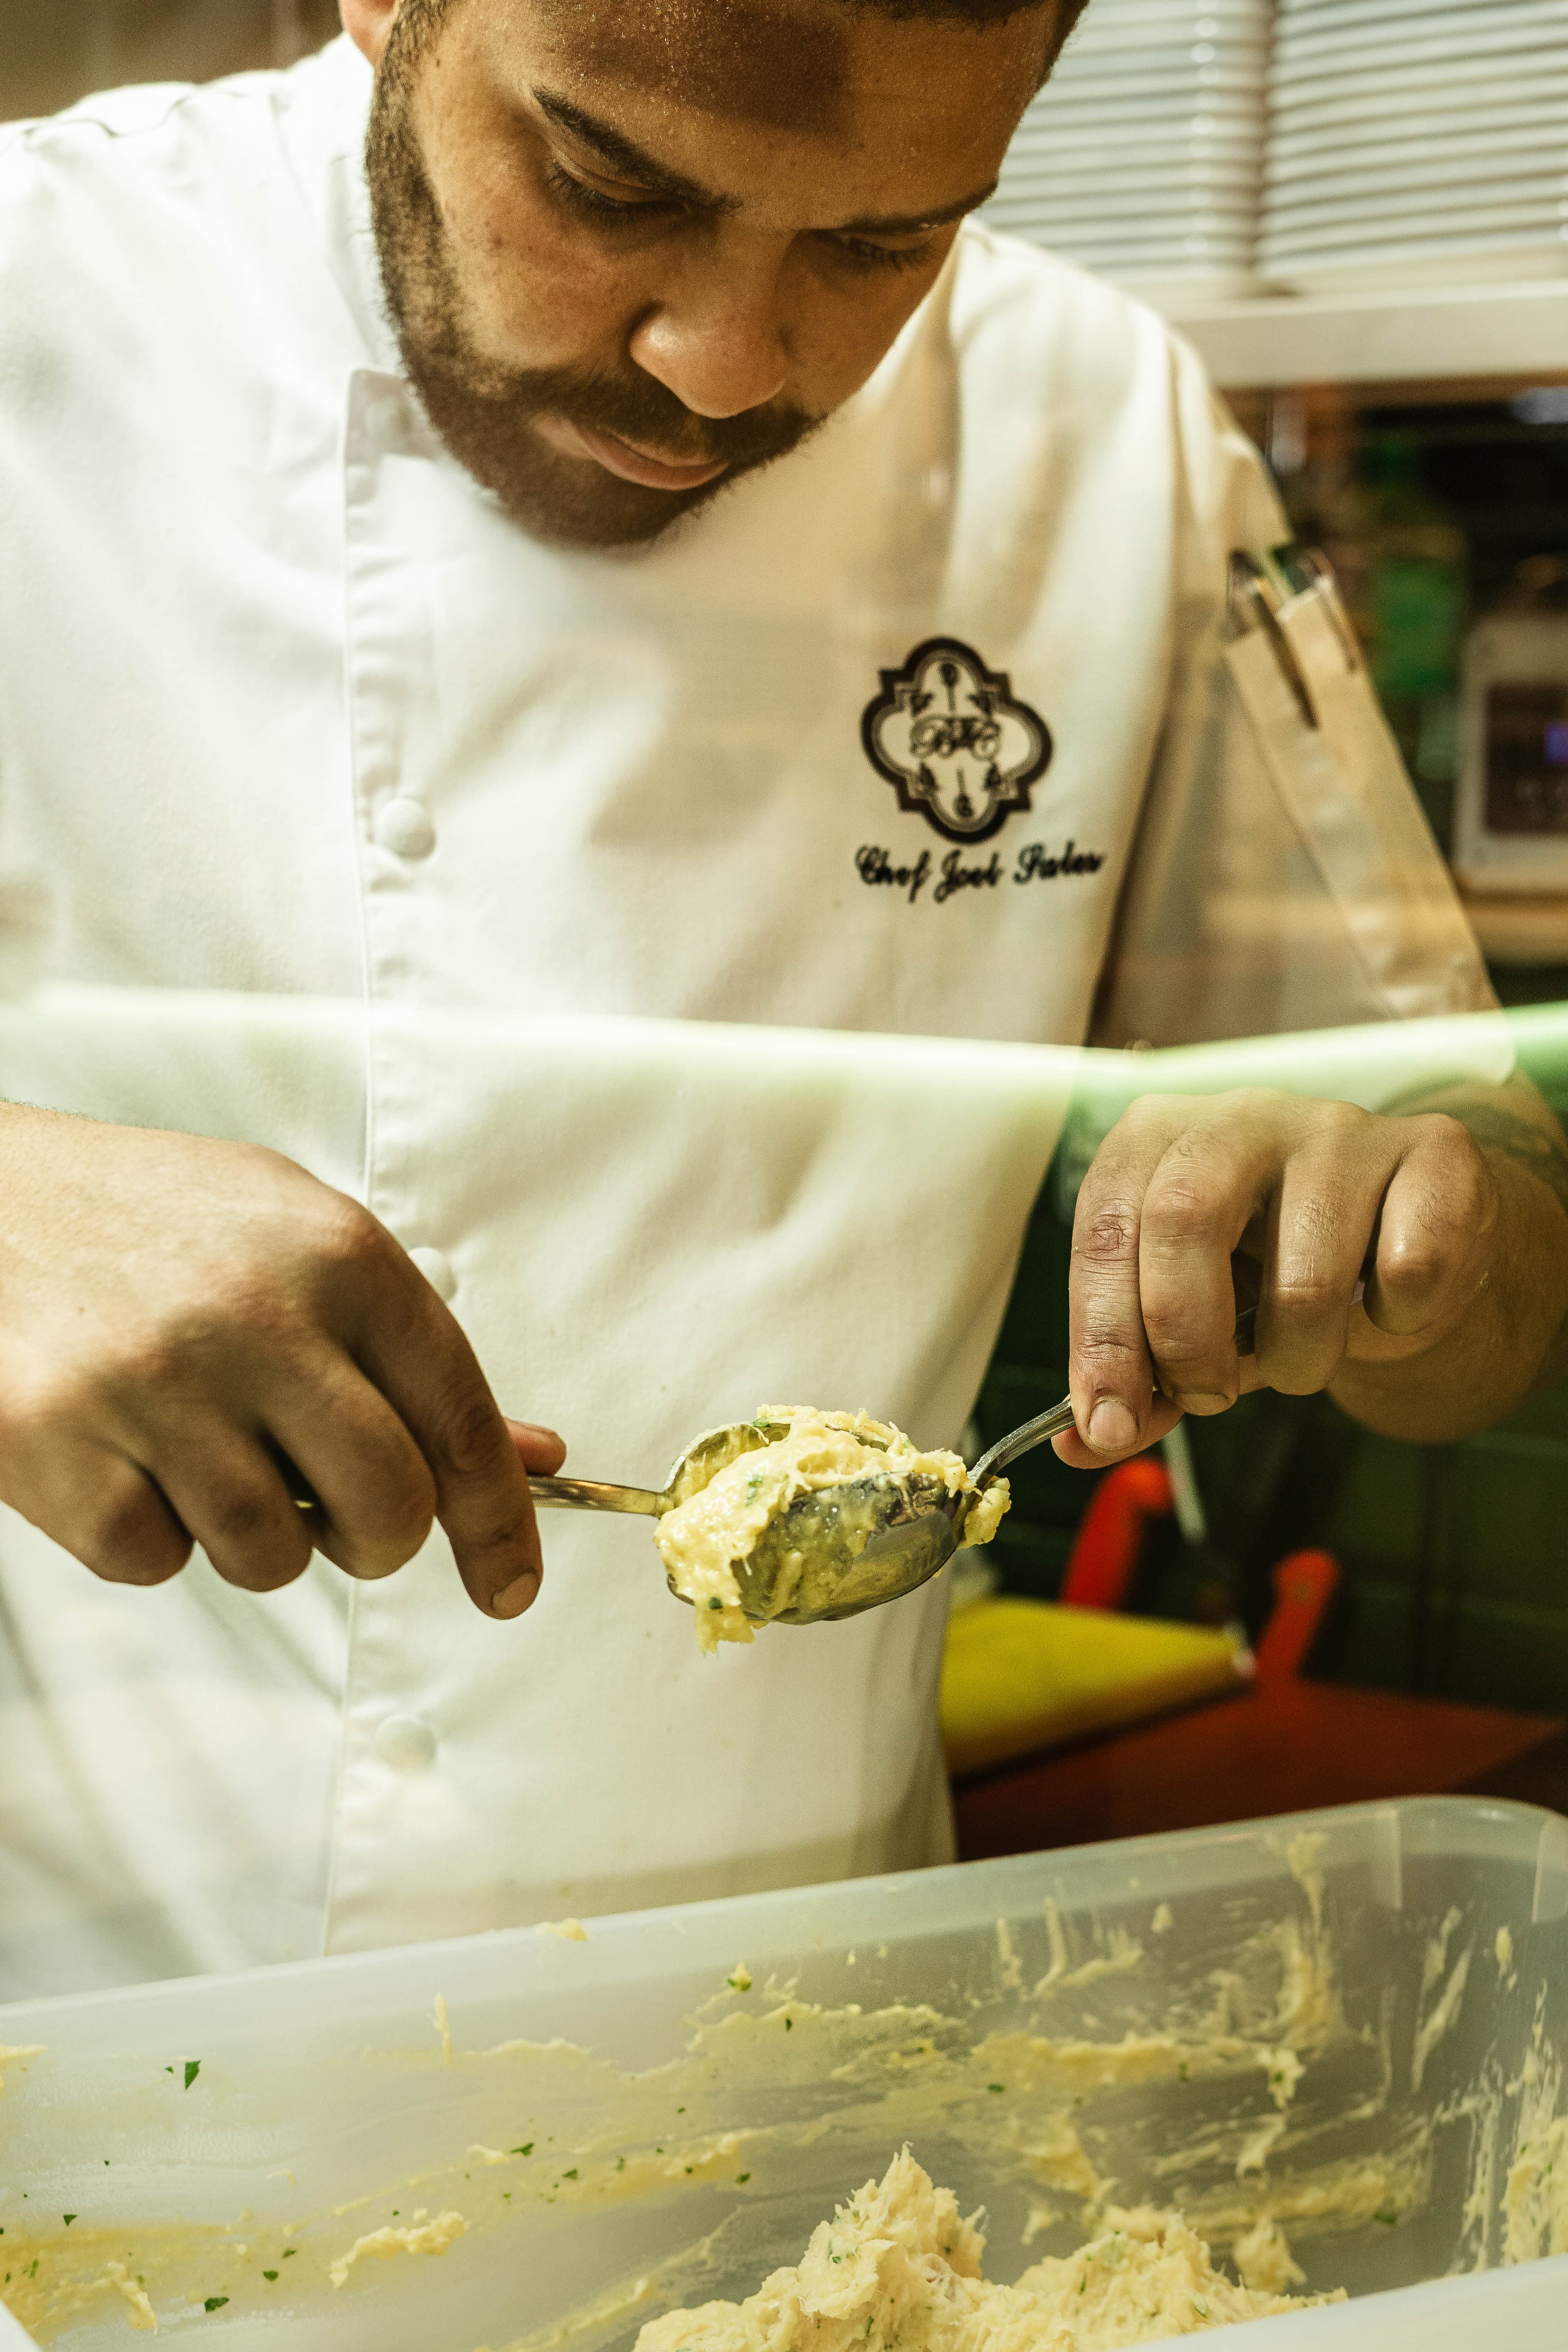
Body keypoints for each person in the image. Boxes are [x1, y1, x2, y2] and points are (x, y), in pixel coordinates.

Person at [1, 0, 1565, 1998]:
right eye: (605, 180)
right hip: (69, 2015)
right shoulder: (39, 295)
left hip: (801, 2037)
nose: (722, 359)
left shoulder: (1112, 432)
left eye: (883, 239)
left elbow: (1494, 1275)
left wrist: (1412, 1227)